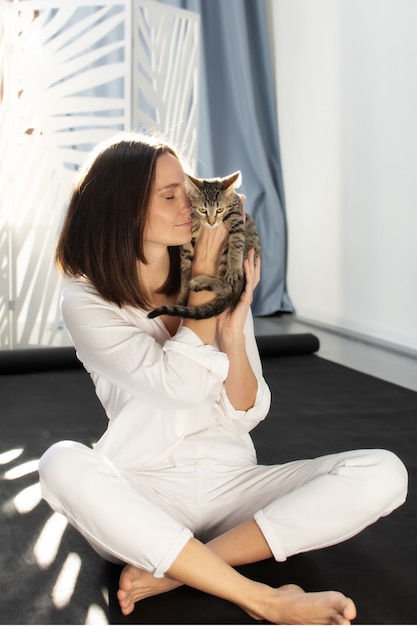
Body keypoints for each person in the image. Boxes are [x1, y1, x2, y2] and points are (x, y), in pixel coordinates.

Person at [39, 131, 408, 625]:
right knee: (60, 463)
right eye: (169, 195)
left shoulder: (222, 276)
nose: (188, 206)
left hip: (232, 483)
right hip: (144, 492)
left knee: (385, 473)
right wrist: (206, 279)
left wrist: (233, 336)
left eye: (184, 193)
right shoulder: (86, 301)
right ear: (121, 208)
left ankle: (179, 568)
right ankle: (264, 598)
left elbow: (245, 414)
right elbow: (182, 386)